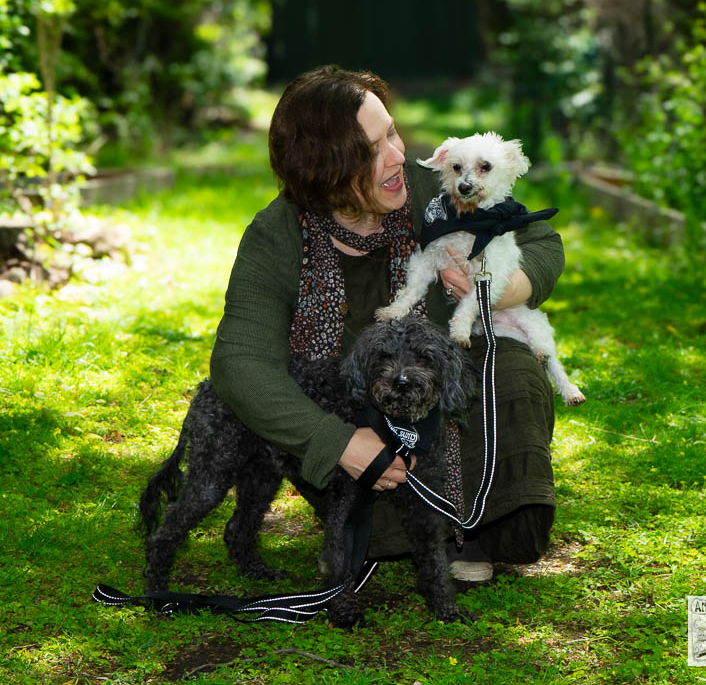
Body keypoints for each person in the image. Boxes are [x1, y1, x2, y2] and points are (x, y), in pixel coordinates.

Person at [210, 65, 564, 582]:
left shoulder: (433, 189)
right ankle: (378, 529)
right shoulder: (275, 237)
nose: (397, 154)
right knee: (353, 424)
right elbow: (240, 364)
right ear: (326, 171)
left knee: (511, 366)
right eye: (373, 149)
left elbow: (539, 240)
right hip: (356, 405)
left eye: (392, 132)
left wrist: (504, 286)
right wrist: (334, 443)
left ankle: (479, 528)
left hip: (440, 379)